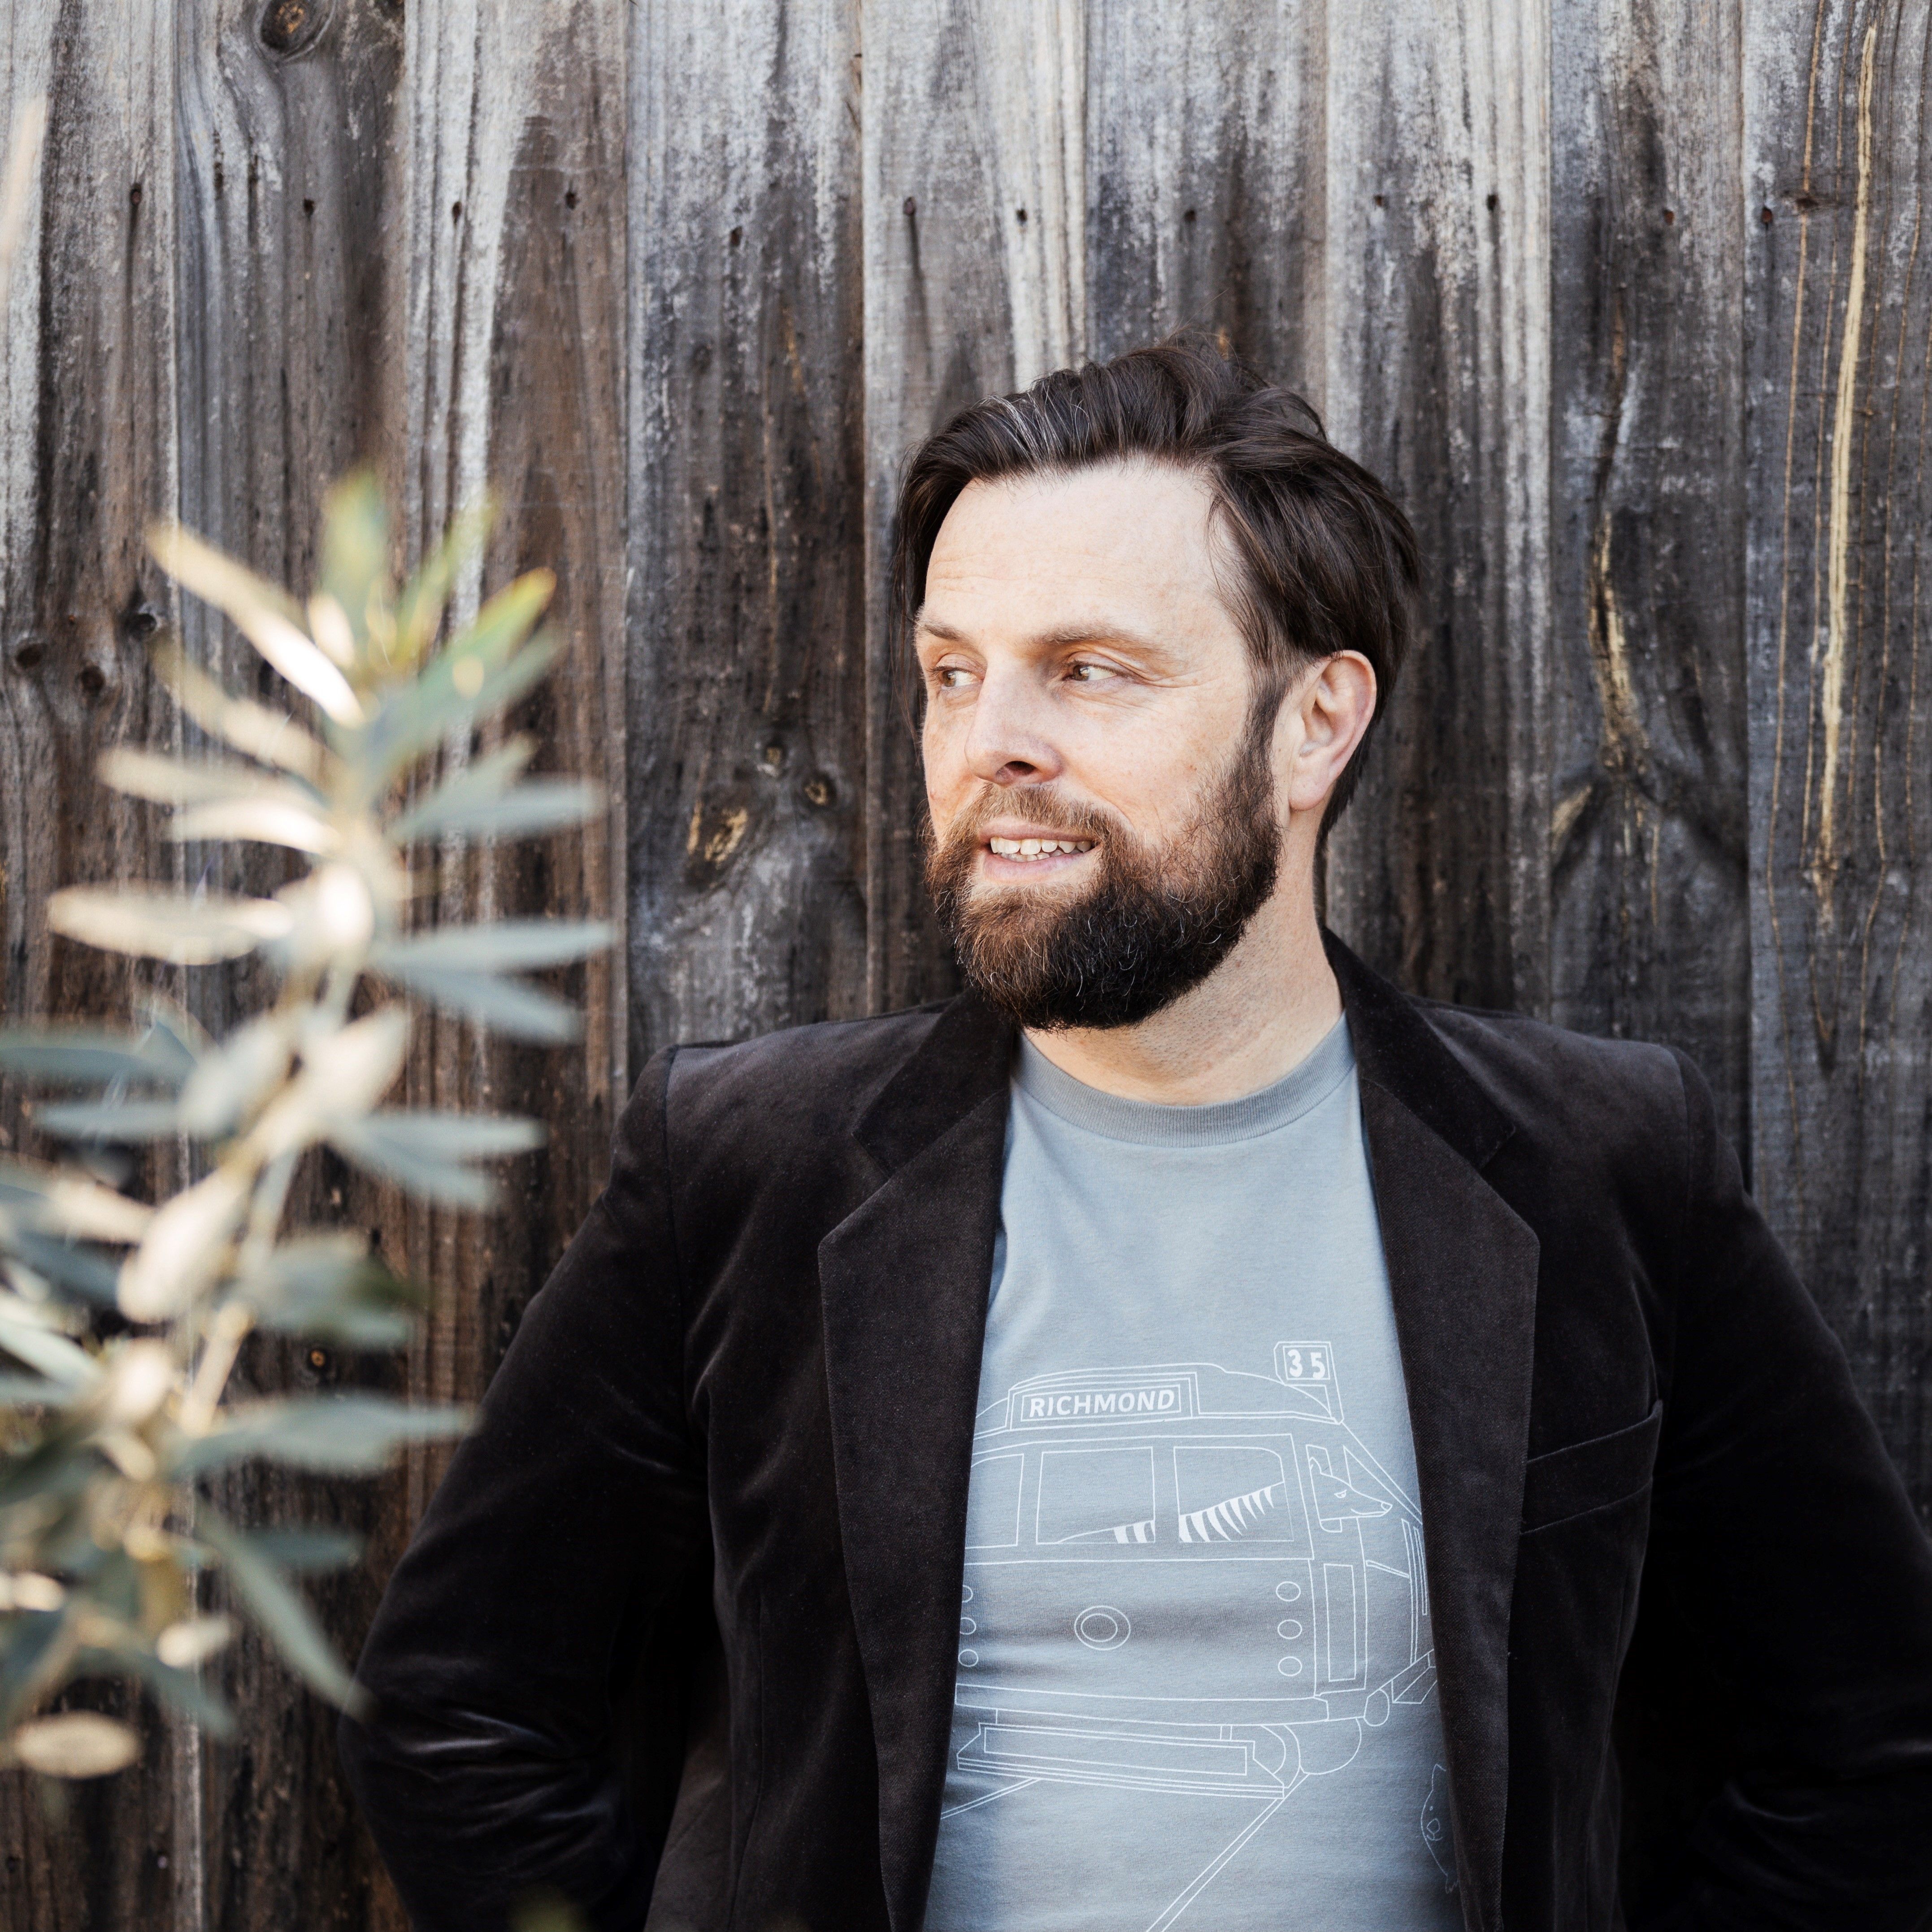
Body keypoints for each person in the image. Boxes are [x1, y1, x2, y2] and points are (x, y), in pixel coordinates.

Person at [339, 334, 1932, 1932]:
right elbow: (458, 1710)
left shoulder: (1601, 1168)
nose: (991, 742)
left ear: (1316, 724)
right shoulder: (751, 1168)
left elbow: (1872, 1740)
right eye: (952, 673)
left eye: (1090, 669)